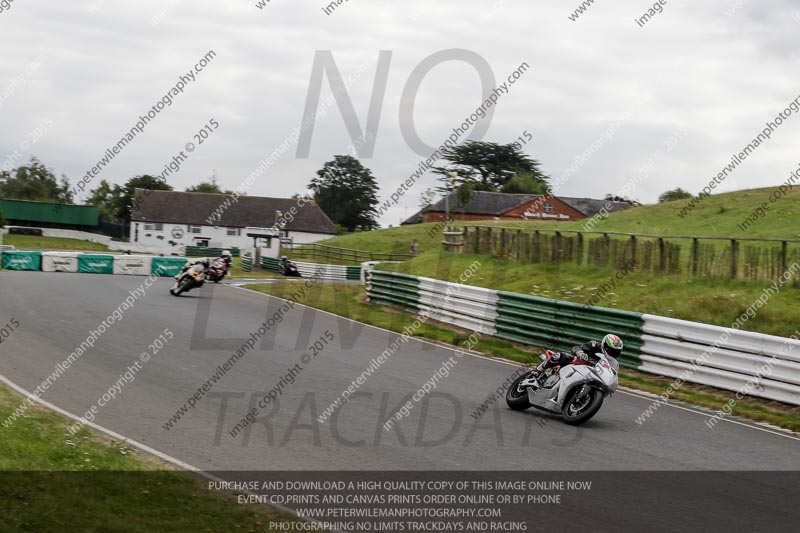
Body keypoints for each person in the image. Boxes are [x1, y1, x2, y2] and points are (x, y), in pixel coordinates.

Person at [534, 334, 623, 377]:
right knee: (563, 356)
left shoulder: (612, 363)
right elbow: (577, 348)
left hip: (589, 373)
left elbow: (611, 373)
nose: (612, 353)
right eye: (611, 350)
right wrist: (581, 353)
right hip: (577, 363)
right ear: (604, 345)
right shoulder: (594, 345)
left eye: (615, 352)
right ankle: (539, 369)